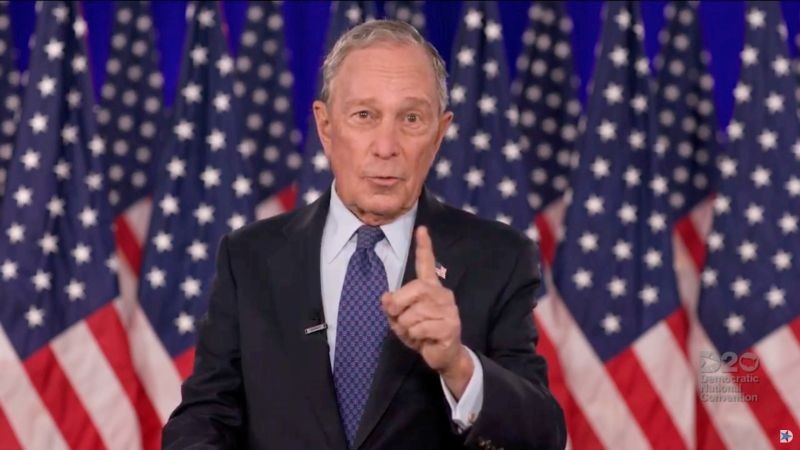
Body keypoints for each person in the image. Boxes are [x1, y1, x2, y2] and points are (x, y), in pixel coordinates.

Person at [162, 20, 566, 450]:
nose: (385, 145)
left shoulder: (498, 259)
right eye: (364, 116)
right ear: (326, 126)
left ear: (439, 133)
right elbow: (204, 419)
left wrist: (459, 365)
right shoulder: (249, 258)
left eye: (411, 118)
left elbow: (542, 437)